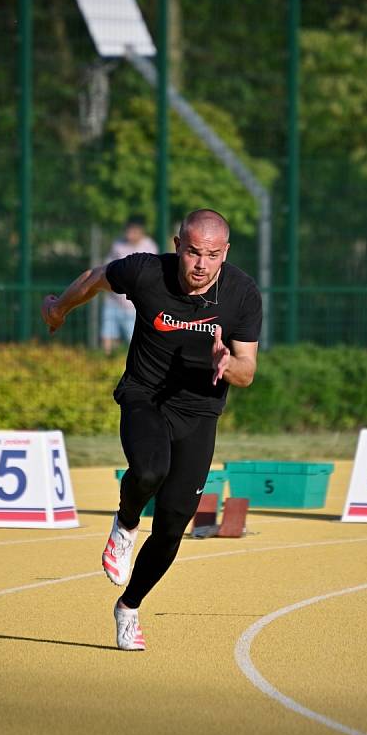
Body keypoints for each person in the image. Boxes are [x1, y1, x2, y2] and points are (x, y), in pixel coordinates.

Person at [41, 209, 262, 651]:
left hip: (200, 411)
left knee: (172, 524)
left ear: (226, 254)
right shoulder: (146, 272)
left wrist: (228, 364)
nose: (202, 264)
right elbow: (96, 277)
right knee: (148, 471)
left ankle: (129, 607)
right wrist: (59, 308)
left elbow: (248, 370)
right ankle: (124, 525)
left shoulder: (241, 293)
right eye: (194, 252)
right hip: (145, 395)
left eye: (213, 255)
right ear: (178, 246)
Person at [100, 216, 158, 355]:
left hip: (133, 306)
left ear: (140, 231)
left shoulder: (149, 246)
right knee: (107, 335)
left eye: (133, 231)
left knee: (134, 340)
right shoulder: (118, 245)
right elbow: (107, 268)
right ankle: (106, 361)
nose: (129, 234)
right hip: (114, 300)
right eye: (128, 230)